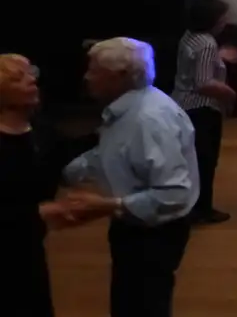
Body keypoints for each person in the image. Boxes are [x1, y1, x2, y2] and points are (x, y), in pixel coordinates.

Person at [63, 37, 199, 317]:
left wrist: (107, 205)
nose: (86, 77)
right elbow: (111, 154)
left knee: (143, 306)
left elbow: (173, 194)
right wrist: (66, 172)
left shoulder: (148, 119)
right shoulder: (128, 110)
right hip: (135, 225)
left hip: (153, 234)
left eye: (94, 70)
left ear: (121, 76)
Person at [0, 54, 95, 317]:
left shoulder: (40, 133)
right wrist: (36, 213)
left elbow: (70, 154)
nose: (32, 81)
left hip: (28, 251)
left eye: (31, 74)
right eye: (19, 78)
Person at [171, 0, 236, 225]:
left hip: (182, 104)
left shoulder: (189, 36)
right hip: (202, 108)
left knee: (191, 159)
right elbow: (203, 83)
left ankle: (189, 205)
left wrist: (219, 56)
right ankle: (202, 209)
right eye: (223, 18)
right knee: (205, 161)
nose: (225, 22)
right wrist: (230, 93)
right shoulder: (207, 43)